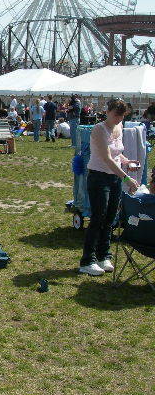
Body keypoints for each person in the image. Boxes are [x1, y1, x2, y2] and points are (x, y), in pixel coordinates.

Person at [79, 99, 140, 276]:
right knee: (98, 217)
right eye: (116, 115)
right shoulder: (99, 129)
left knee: (110, 218)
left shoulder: (118, 127)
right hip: (98, 177)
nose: (119, 119)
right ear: (108, 112)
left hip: (114, 178)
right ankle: (87, 261)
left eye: (122, 116)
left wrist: (126, 160)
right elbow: (106, 158)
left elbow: (116, 153)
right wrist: (126, 178)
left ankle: (103, 255)